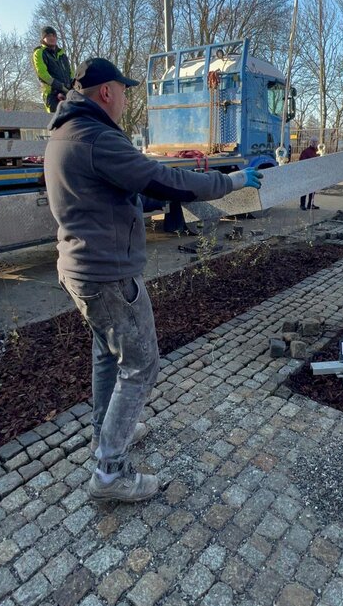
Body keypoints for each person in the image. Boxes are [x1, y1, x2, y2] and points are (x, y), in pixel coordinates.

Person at [44, 57, 263, 504]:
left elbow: (110, 191)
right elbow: (164, 179)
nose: (127, 98)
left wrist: (140, 199)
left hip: (79, 268)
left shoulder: (64, 133)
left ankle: (107, 433)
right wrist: (233, 180)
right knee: (142, 365)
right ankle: (110, 472)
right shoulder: (98, 137)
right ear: (107, 92)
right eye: (124, 90)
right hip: (107, 274)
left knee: (108, 356)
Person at [32, 27, 73, 113]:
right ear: (43, 38)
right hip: (52, 94)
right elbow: (42, 74)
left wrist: (73, 85)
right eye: (48, 36)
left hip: (67, 93)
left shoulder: (62, 55)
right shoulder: (39, 52)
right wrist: (57, 85)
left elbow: (70, 72)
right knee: (55, 118)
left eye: (54, 36)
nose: (52, 38)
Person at [299, 136, 320, 210]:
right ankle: (302, 205)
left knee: (312, 190)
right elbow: (302, 162)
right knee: (304, 189)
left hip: (313, 173)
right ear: (310, 142)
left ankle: (310, 204)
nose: (314, 143)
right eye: (313, 142)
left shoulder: (316, 152)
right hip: (306, 173)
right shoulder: (305, 152)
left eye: (316, 142)